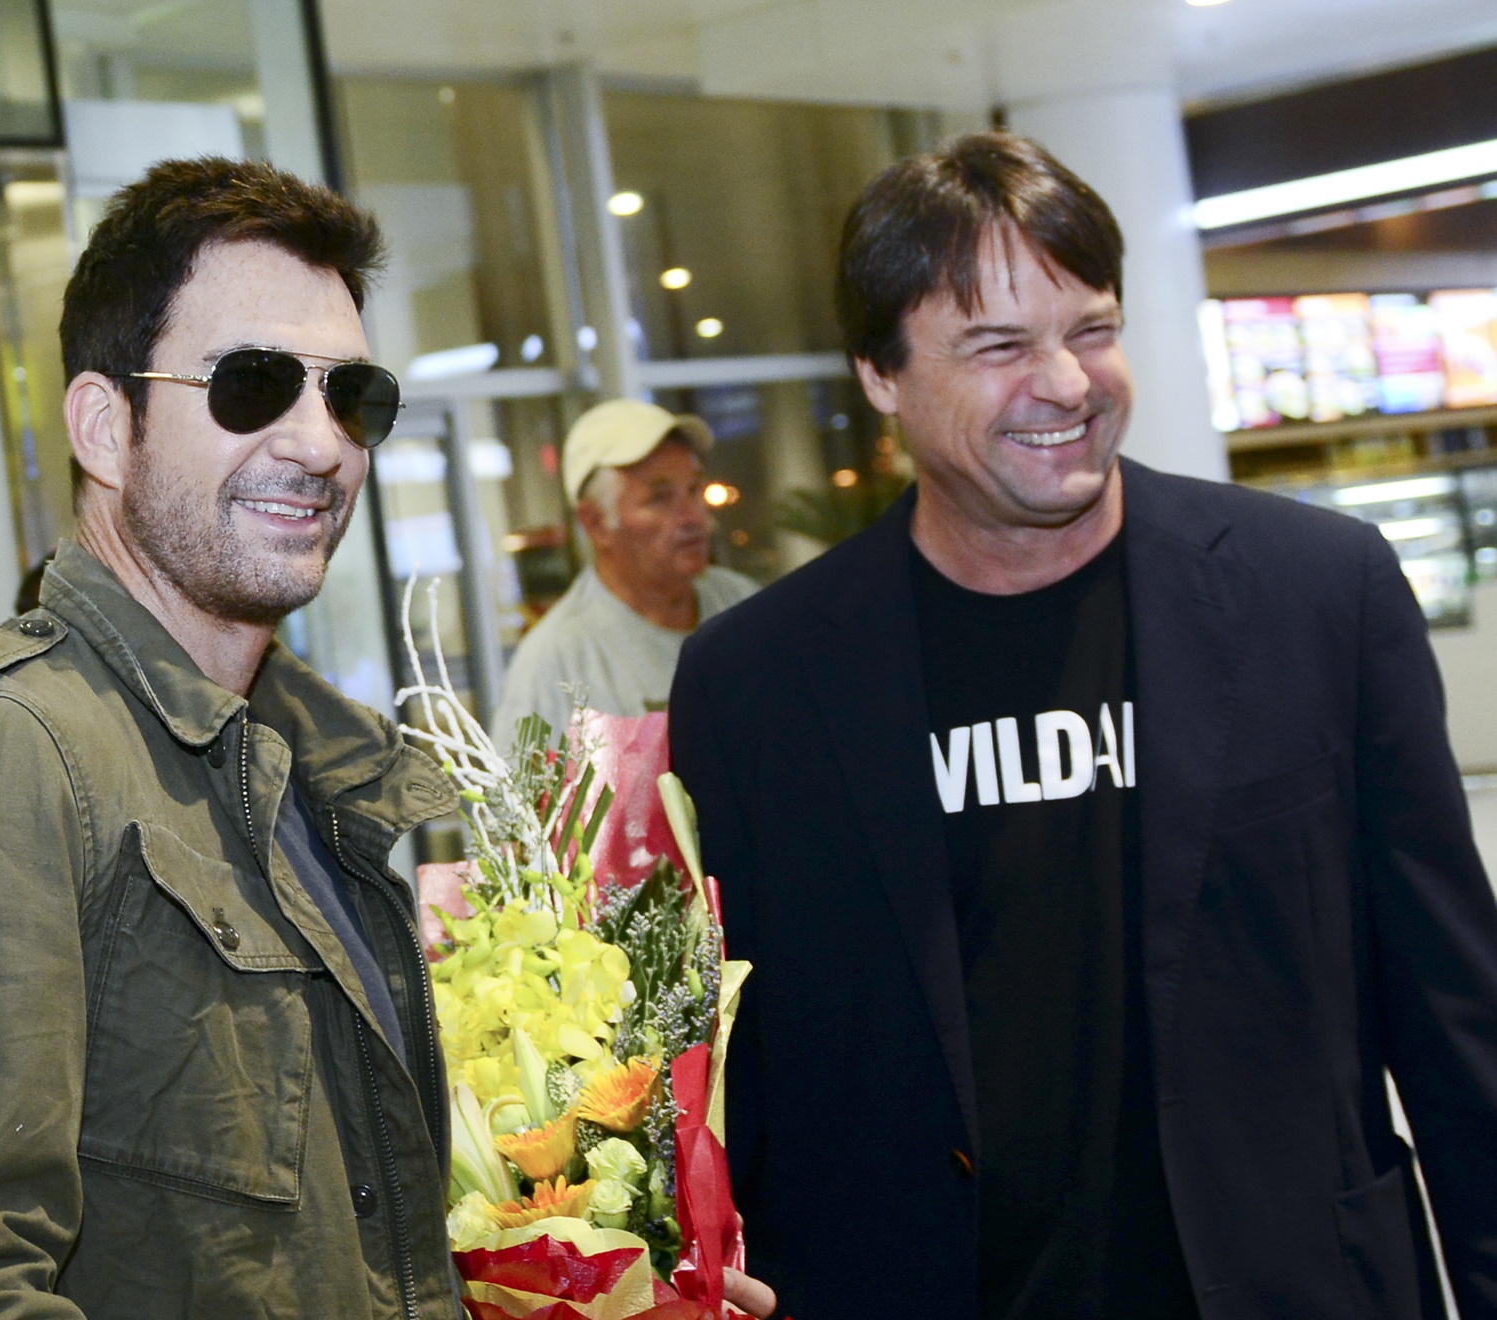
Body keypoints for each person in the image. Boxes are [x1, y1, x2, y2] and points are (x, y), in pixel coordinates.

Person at [670, 132, 1497, 1320]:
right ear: (881, 375)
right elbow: (740, 1070)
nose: (1065, 382)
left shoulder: (1316, 595)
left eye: (1092, 329)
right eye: (1000, 345)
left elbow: (1455, 1008)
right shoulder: (758, 681)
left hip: (1291, 1282)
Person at [0, 157, 463, 1318]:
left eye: (351, 395)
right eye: (253, 384)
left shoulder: (310, 768)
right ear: (105, 428)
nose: (321, 445)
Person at [490, 398, 756, 746]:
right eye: (660, 498)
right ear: (596, 523)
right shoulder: (555, 664)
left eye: (693, 490)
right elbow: (514, 782)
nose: (693, 517)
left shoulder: (744, 606)